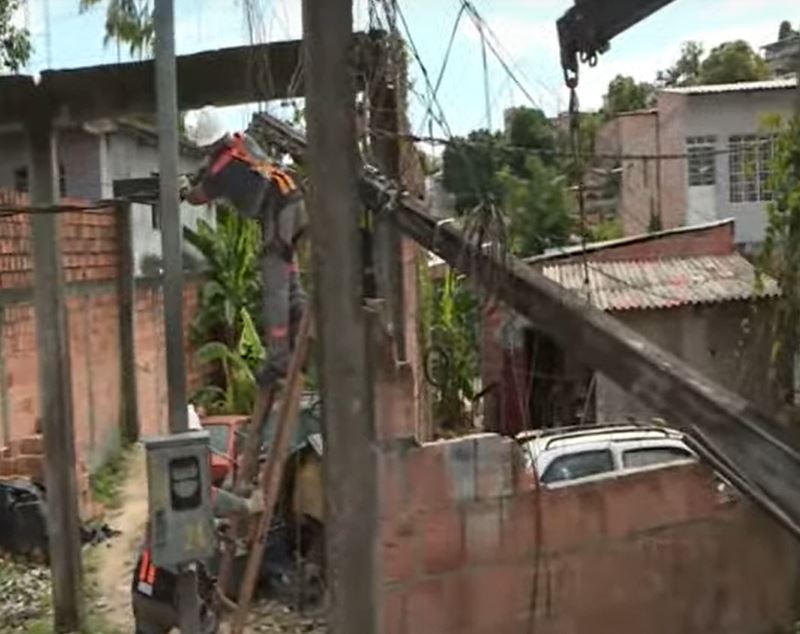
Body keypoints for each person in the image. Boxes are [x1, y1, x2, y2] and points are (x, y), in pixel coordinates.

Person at [180, 106, 308, 389]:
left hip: (278, 213)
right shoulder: (242, 142)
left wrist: (185, 189)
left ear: (207, 142)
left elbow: (198, 196)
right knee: (289, 279)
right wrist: (198, 173)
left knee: (275, 287)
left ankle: (279, 362)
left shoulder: (220, 171)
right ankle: (304, 329)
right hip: (294, 202)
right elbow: (212, 166)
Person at [132, 485, 264, 633]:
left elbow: (183, 522)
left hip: (142, 590)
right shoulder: (189, 488)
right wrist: (247, 506)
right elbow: (212, 497)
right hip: (172, 587)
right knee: (205, 625)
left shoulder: (158, 511)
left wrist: (215, 524)